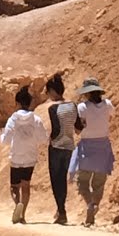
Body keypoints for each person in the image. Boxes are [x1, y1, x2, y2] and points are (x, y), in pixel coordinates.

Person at [70, 77, 115, 226]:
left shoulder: (82, 107)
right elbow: (111, 115)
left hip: (87, 148)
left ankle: (89, 203)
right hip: (103, 147)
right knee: (99, 183)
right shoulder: (107, 104)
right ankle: (95, 205)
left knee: (82, 181)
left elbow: (78, 130)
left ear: (87, 93)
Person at [0, 85, 48, 224]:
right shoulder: (36, 119)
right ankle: (23, 215)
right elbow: (43, 138)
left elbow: (6, 140)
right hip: (30, 157)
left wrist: (2, 136)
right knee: (26, 185)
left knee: (14, 186)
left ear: (18, 103)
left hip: (16, 156)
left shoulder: (13, 119)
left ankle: (17, 205)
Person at [45, 72, 81, 225]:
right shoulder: (73, 105)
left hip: (56, 147)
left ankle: (62, 211)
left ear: (53, 91)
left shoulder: (53, 109)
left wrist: (51, 140)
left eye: (48, 91)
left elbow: (56, 130)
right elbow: (78, 128)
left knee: (56, 180)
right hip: (69, 147)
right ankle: (61, 211)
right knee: (63, 180)